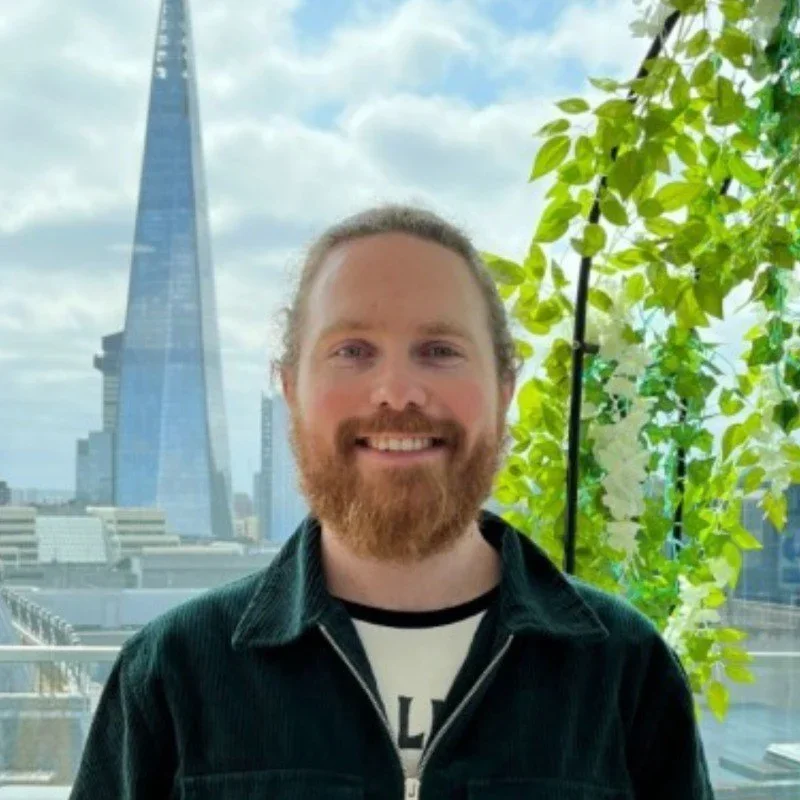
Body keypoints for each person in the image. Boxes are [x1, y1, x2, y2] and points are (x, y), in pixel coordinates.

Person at [69, 204, 715, 799]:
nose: (397, 391)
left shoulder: (627, 675)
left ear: (505, 387)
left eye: (439, 350)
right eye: (352, 351)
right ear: (289, 389)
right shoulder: (173, 677)